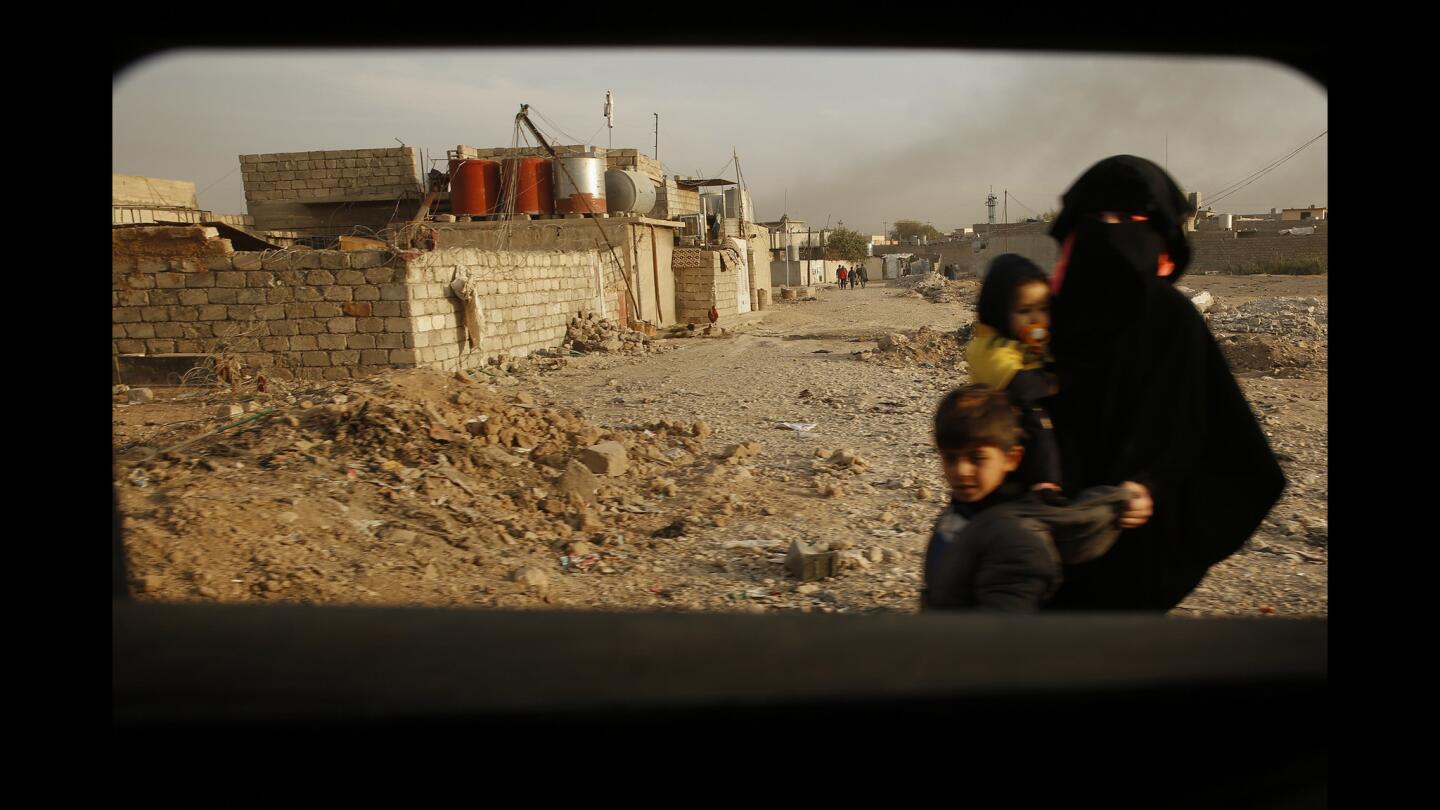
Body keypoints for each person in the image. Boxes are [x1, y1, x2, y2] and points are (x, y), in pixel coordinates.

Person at [1041, 155, 1285, 611]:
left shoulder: (1171, 320)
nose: (1110, 231)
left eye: (1128, 219)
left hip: (1130, 547)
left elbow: (1216, 443)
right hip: (1039, 543)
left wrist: (1150, 489)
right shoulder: (1049, 318)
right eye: (1097, 218)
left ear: (1158, 231)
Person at [920, 385, 1140, 612]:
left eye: (977, 458)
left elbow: (1003, 630)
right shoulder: (961, 511)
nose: (961, 470)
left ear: (1012, 458)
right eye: (950, 457)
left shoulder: (1018, 537)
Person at [966, 254, 1061, 492]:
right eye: (1025, 310)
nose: (1036, 317)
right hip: (1000, 435)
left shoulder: (1025, 341)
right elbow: (1020, 385)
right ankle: (1044, 484)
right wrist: (1056, 381)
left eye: (1043, 308)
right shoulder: (988, 347)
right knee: (1035, 419)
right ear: (1000, 311)